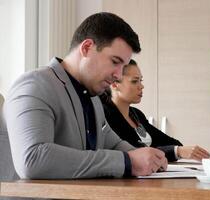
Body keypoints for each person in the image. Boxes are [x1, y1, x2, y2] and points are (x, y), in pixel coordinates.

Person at [4, 12, 167, 179]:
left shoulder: (92, 97)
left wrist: (148, 158)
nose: (118, 75)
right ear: (87, 48)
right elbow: (32, 159)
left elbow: (113, 144)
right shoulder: (34, 85)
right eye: (115, 62)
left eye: (123, 66)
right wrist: (127, 162)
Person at [100, 59, 210, 162]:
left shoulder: (136, 114)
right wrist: (176, 151)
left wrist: (179, 150)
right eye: (134, 81)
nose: (141, 86)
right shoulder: (105, 114)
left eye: (141, 80)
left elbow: (172, 143)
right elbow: (134, 151)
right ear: (114, 84)